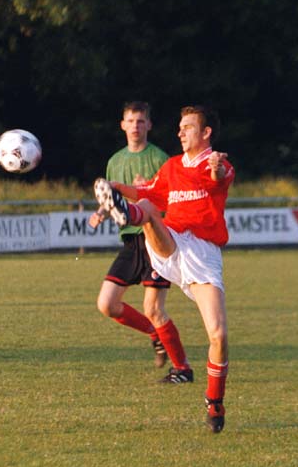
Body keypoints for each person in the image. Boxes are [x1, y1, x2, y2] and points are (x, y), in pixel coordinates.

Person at [93, 105, 234, 433]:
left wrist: (216, 168)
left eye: (187, 127)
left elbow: (219, 177)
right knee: (146, 207)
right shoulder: (171, 167)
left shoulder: (219, 163)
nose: (180, 132)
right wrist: (115, 186)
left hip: (203, 255)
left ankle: (215, 402)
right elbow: (147, 192)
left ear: (206, 132)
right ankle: (131, 215)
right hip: (170, 243)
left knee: (219, 335)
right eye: (180, 127)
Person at [88, 101, 192, 379]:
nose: (135, 126)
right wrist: (100, 213)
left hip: (154, 239)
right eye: (130, 121)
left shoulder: (160, 159)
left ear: (149, 125)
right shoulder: (115, 161)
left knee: (155, 308)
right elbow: (113, 198)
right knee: (106, 304)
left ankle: (182, 368)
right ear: (122, 125)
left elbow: (174, 199)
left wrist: (147, 190)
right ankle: (153, 333)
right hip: (130, 244)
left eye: (140, 121)